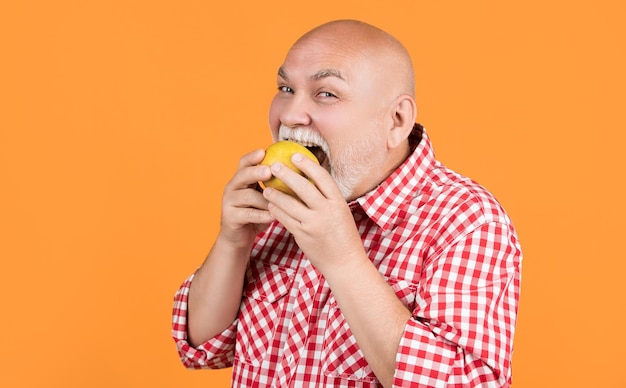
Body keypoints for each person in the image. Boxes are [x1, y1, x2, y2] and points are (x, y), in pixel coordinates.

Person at [172, 19, 522, 387]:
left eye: (326, 93)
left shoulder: (465, 219)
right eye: (286, 88)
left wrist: (342, 259)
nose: (290, 114)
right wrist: (233, 243)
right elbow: (202, 348)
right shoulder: (279, 202)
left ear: (397, 120)